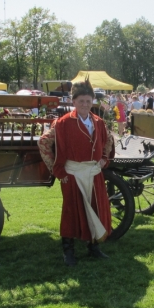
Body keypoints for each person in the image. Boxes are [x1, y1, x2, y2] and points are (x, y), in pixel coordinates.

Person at [38, 79, 114, 267]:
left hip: (94, 172)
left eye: (88, 101)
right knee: (71, 212)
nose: (85, 104)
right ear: (74, 102)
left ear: (92, 102)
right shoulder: (63, 123)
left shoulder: (98, 122)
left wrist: (104, 158)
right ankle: (68, 251)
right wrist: (58, 171)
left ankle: (93, 247)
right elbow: (44, 142)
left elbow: (109, 140)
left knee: (95, 209)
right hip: (72, 174)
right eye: (81, 101)